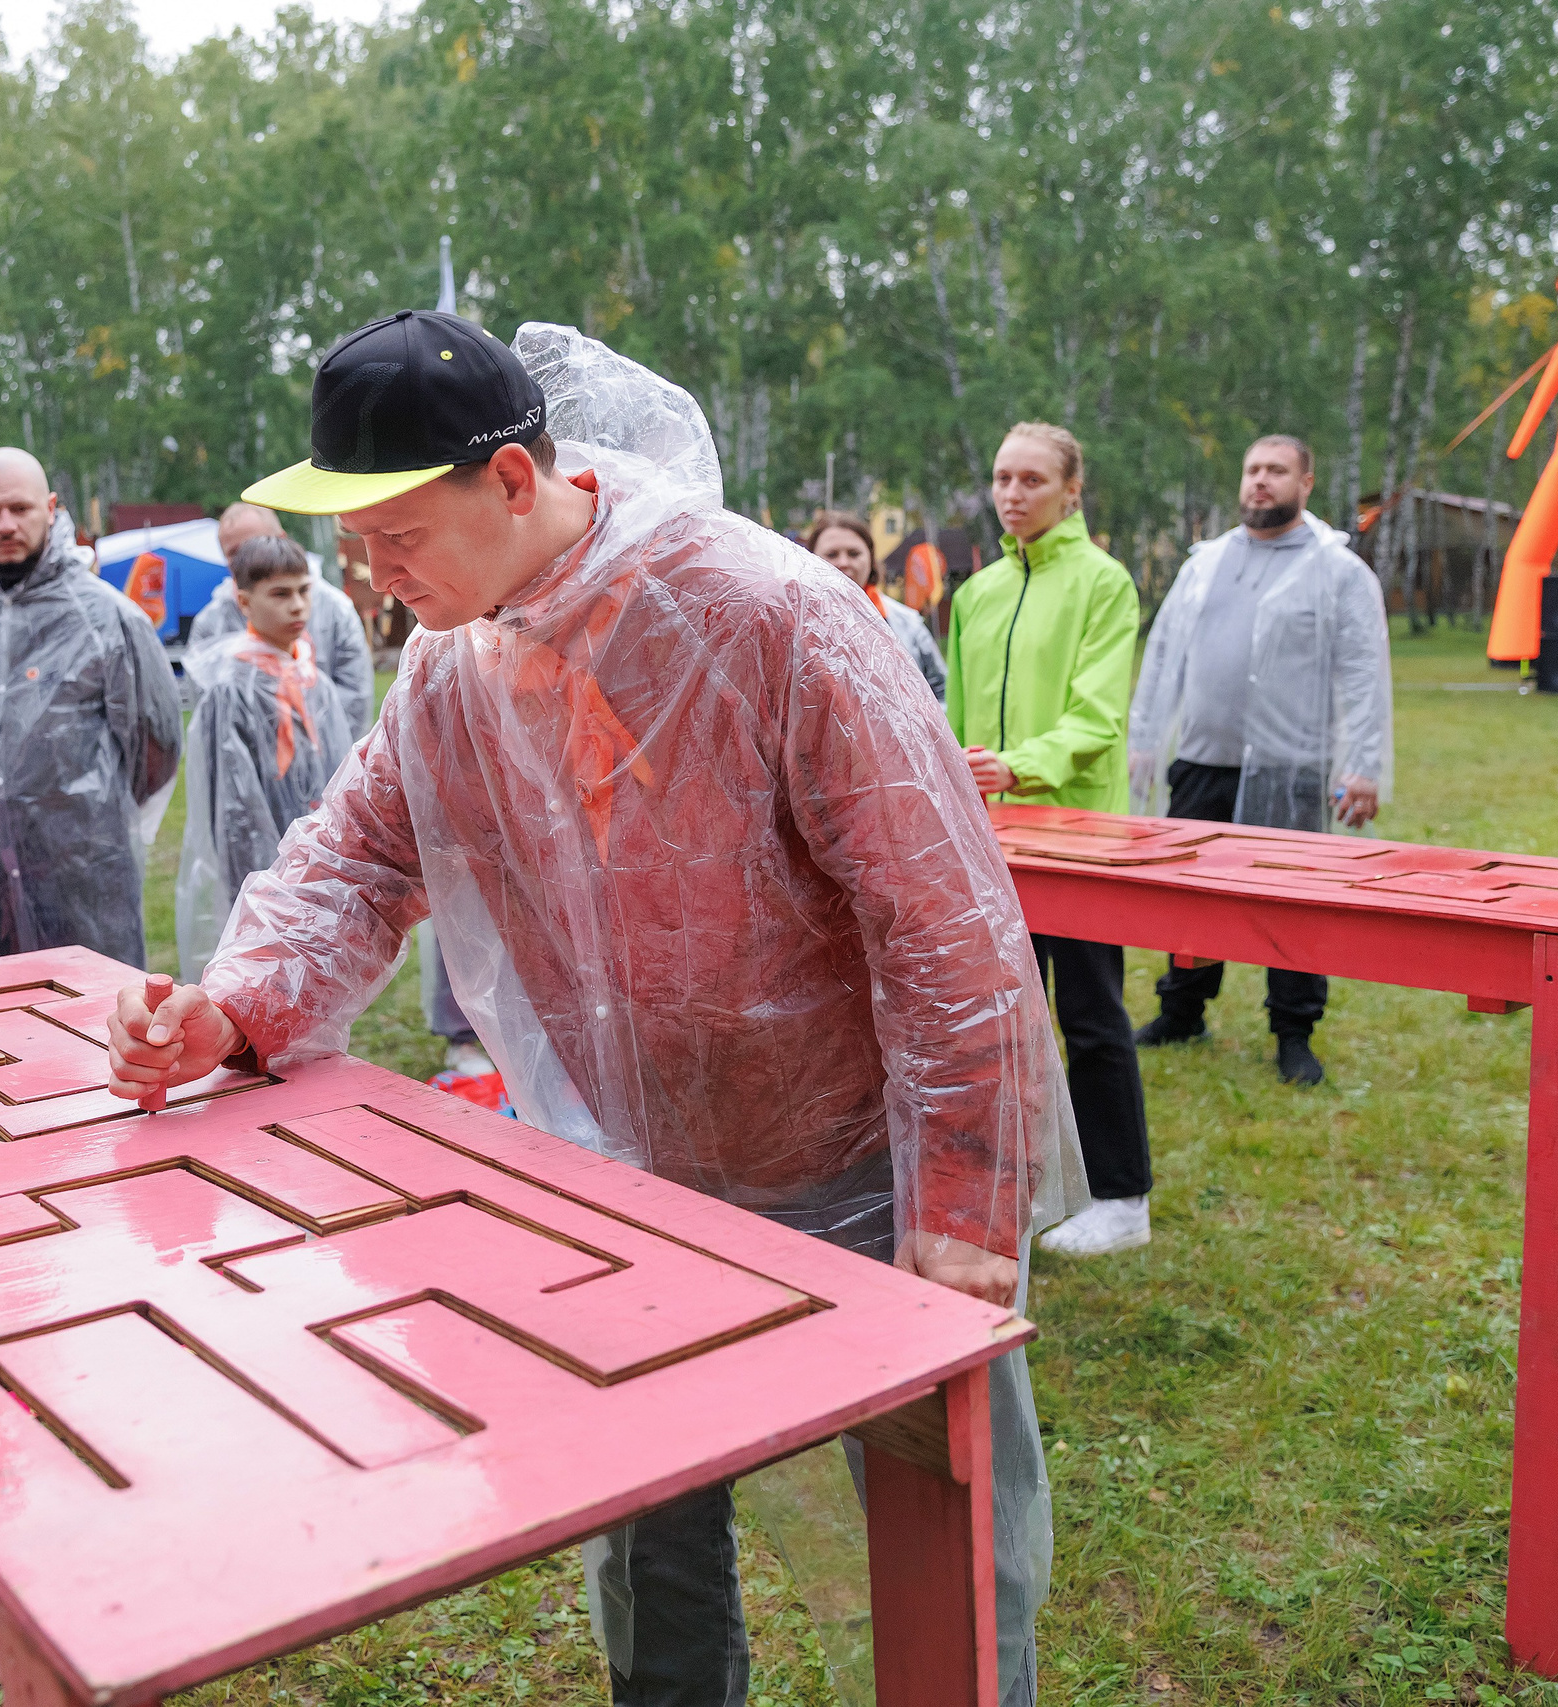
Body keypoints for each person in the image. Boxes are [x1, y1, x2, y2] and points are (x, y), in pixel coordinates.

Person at [105, 312, 1083, 1707]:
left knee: (947, 1538)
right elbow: (357, 851)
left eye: (396, 537)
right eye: (357, 548)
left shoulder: (772, 614)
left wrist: (968, 1210)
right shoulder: (457, 657)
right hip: (633, 1173)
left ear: (512, 483)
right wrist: (234, 1008)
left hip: (871, 1172)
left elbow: (943, 929)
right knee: (651, 1529)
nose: (372, 580)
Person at [944, 424, 1153, 1259]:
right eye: (1002, 477)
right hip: (989, 841)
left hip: (1081, 837)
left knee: (1093, 1015)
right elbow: (955, 716)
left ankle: (1122, 1195)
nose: (1013, 493)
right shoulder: (976, 594)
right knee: (998, 1022)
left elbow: (1098, 718)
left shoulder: (1105, 584)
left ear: (1073, 490)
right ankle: (1026, 1187)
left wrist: (1017, 768)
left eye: (1032, 479)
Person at [1128, 434, 1393, 1086]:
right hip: (1203, 758)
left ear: (1306, 482)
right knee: (1192, 896)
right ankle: (1182, 1009)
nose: (1260, 482)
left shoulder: (1336, 570)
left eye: (1276, 470)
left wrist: (1363, 765)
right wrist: (1144, 737)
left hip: (1291, 764)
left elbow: (1365, 673)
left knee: (1293, 900)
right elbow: (1163, 655)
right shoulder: (1205, 564)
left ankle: (1294, 1032)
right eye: (1251, 470)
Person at [0, 448, 180, 964]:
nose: (6, 525)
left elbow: (156, 744)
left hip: (89, 875)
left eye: (20, 509)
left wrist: (90, 826)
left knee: (98, 1026)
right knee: (1, 1027)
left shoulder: (107, 619)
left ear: (50, 508)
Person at [174, 534, 354, 973]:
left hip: (313, 863)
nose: (297, 606)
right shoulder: (231, 690)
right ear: (244, 601)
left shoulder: (314, 681)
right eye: (280, 594)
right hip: (259, 872)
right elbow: (231, 812)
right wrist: (258, 885)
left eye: (303, 591)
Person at [187, 502, 377, 738]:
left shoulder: (335, 611)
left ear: (281, 539)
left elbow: (355, 699)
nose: (247, 558)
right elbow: (209, 714)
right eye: (234, 553)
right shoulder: (211, 624)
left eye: (258, 544)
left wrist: (316, 752)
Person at [805, 509, 948, 700]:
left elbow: (942, 692)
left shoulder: (907, 623)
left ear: (871, 560)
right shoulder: (797, 623)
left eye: (854, 554)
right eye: (832, 554)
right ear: (810, 560)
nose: (844, 562)